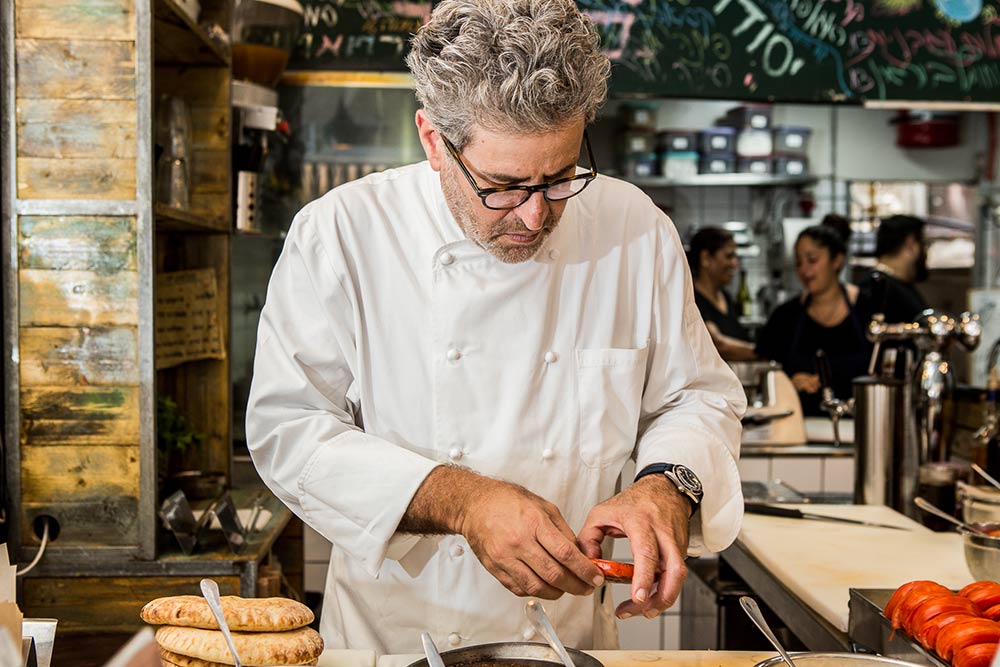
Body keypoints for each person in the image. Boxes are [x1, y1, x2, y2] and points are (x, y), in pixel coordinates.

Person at [246, 0, 745, 655]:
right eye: (503, 186)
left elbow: (696, 396)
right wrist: (461, 501)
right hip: (396, 641)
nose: (535, 217)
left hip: (566, 640)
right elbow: (289, 430)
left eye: (560, 178)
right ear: (433, 141)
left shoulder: (635, 228)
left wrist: (666, 486)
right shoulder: (342, 234)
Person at [756, 225, 873, 416]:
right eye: (798, 263)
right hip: (800, 427)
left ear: (837, 260)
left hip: (861, 424)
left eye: (812, 260)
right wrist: (788, 383)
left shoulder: (868, 309)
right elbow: (766, 377)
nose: (804, 270)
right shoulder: (785, 316)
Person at [686, 227, 757, 361]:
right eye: (729, 256)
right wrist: (761, 352)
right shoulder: (692, 299)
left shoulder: (726, 297)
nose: (735, 263)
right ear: (705, 258)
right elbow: (717, 344)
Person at [857, 214, 929, 323]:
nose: (926, 252)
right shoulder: (876, 289)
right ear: (911, 244)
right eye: (924, 244)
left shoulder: (895, 286)